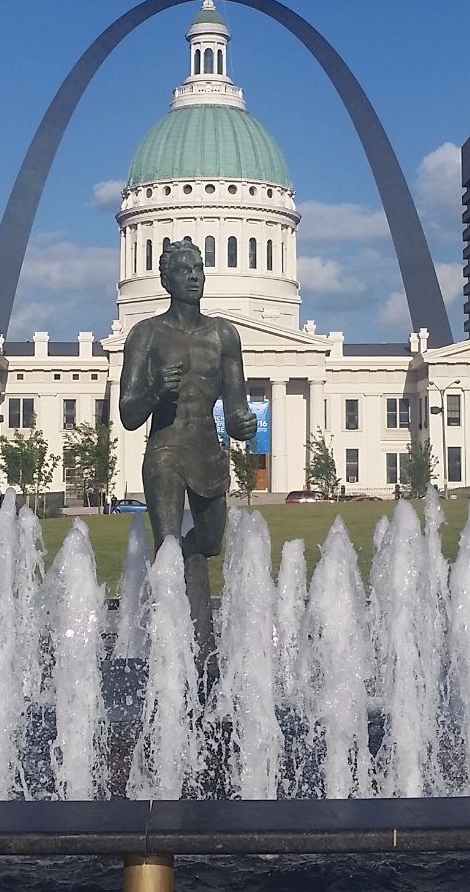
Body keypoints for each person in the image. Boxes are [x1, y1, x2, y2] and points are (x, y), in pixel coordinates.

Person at [119, 238, 257, 661]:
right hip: (166, 452)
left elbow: (235, 407)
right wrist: (158, 388)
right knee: (169, 549)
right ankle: (179, 646)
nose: (195, 275)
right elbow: (128, 413)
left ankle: (195, 622)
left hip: (207, 453)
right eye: (184, 269)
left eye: (199, 267)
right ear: (165, 280)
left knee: (208, 545)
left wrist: (243, 425)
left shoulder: (224, 335)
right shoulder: (146, 334)